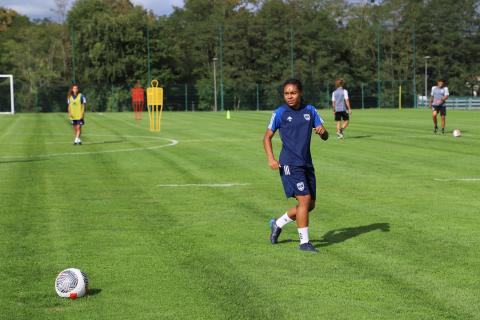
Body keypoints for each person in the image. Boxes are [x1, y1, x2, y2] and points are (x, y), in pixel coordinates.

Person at [263, 78, 328, 253]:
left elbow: (324, 134)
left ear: (300, 93)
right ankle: (304, 243)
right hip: (289, 163)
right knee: (304, 200)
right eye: (286, 93)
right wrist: (271, 158)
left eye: (293, 93)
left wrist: (323, 132)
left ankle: (277, 224)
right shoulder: (280, 113)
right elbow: (267, 137)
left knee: (309, 205)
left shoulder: (310, 110)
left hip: (306, 163)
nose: (289, 96)